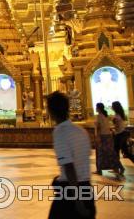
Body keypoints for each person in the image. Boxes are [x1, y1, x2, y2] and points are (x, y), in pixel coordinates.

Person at [47, 91, 95, 219]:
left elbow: (69, 167)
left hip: (71, 193)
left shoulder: (60, 132)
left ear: (50, 111)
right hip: (86, 188)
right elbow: (83, 161)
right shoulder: (81, 131)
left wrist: (77, 202)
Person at [94, 102, 124, 177]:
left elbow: (99, 127)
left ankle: (99, 170)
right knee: (111, 153)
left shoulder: (99, 116)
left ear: (99, 108)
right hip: (108, 136)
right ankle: (119, 167)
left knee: (100, 153)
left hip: (102, 136)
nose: (96, 108)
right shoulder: (106, 115)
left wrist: (97, 137)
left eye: (96, 107)